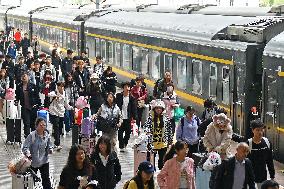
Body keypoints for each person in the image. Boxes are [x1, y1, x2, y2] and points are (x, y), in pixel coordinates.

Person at [22, 117, 53, 189]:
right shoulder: (32, 135)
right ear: (36, 126)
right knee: (30, 180)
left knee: (46, 180)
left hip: (44, 161)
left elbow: (50, 145)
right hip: (33, 162)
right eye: (41, 125)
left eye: (44, 125)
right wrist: (28, 154)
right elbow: (25, 147)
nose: (43, 127)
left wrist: (50, 149)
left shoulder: (47, 135)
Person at [144, 99, 173, 170]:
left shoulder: (166, 119)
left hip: (163, 144)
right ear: (154, 109)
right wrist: (148, 132)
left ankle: (161, 176)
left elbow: (169, 130)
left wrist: (170, 141)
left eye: (160, 108)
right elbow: (146, 127)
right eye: (157, 108)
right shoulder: (150, 118)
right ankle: (151, 175)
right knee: (150, 162)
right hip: (152, 144)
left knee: (162, 162)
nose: (159, 109)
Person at [247, 119, 275, 189]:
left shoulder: (267, 142)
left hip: (262, 177)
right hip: (250, 178)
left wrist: (272, 175)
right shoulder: (248, 144)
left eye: (262, 130)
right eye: (257, 130)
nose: (260, 132)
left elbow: (269, 160)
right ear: (253, 130)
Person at [15, 72, 41, 138]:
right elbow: (17, 96)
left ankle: (34, 138)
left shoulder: (33, 85)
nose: (24, 77)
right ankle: (27, 138)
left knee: (33, 124)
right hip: (24, 107)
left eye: (25, 76)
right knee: (26, 123)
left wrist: (38, 105)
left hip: (33, 107)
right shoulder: (19, 86)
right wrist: (16, 101)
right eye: (22, 76)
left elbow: (37, 96)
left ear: (28, 77)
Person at [49, 81, 72, 151]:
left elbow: (66, 104)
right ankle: (58, 144)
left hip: (61, 113)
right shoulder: (54, 92)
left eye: (62, 86)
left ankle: (56, 142)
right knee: (56, 126)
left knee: (60, 128)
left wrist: (71, 108)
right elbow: (49, 94)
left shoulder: (65, 94)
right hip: (54, 112)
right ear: (57, 86)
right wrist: (55, 96)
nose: (61, 88)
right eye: (60, 86)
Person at [116, 82, 137, 151]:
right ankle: (121, 146)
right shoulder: (119, 96)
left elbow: (134, 109)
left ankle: (125, 143)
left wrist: (135, 118)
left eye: (128, 87)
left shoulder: (132, 98)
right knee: (120, 132)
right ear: (123, 88)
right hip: (120, 118)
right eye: (125, 87)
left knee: (128, 133)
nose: (127, 88)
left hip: (128, 118)